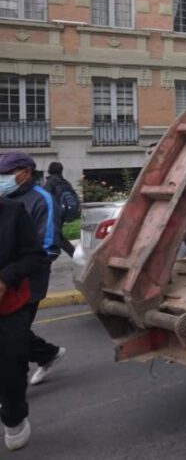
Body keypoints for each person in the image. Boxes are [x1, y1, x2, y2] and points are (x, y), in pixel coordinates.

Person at [0, 152, 67, 387]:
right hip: (5, 280)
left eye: (6, 174)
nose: (1, 178)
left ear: (25, 173)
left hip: (29, 281)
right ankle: (47, 354)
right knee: (12, 333)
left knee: (13, 334)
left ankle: (13, 402)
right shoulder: (5, 198)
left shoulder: (42, 199)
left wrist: (16, 272)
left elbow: (48, 246)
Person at [0, 195, 44, 451]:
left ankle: (14, 417)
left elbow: (33, 256)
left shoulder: (12, 211)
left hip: (8, 307)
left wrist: (6, 278)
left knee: (11, 367)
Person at [43, 162, 80, 258]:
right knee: (57, 234)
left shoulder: (50, 182)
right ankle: (73, 254)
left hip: (54, 212)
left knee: (57, 235)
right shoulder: (66, 182)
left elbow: (46, 198)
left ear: (50, 170)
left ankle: (74, 254)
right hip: (63, 213)